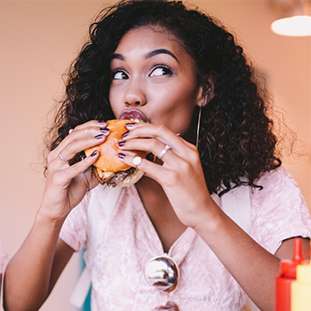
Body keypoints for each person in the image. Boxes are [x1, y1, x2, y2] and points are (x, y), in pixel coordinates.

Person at [3, 0, 311, 310]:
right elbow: (18, 306)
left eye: (160, 70)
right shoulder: (92, 186)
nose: (132, 95)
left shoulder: (266, 186)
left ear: (204, 89)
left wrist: (205, 214)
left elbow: (301, 303)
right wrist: (50, 215)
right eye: (120, 73)